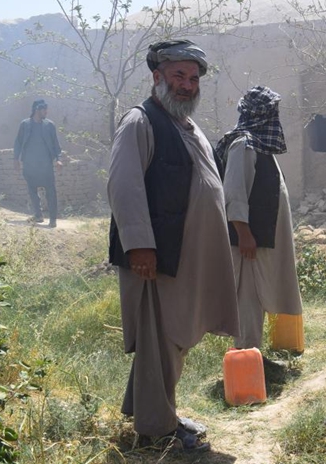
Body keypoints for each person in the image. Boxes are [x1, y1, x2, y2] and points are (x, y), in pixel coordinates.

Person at [107, 39, 239, 452]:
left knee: (171, 340)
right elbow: (123, 186)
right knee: (162, 339)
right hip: (158, 257)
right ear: (157, 77)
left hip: (188, 258)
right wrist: (141, 246)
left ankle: (157, 411)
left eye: (193, 79)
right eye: (179, 76)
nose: (186, 85)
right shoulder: (140, 122)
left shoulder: (188, 126)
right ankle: (156, 433)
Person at [217, 85, 303, 358]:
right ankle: (245, 358)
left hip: (262, 239)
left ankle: (253, 356)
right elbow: (234, 192)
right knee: (248, 298)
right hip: (250, 241)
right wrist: (243, 233)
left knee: (259, 295)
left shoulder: (258, 144)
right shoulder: (243, 145)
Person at [13, 99, 63, 227]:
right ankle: (38, 215)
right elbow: (18, 142)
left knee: (51, 191)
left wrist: (58, 159)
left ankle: (52, 219)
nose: (46, 111)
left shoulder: (49, 125)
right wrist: (16, 159)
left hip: (45, 165)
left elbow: (56, 144)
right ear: (37, 110)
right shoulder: (25, 124)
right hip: (29, 165)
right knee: (32, 190)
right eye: (44, 109)